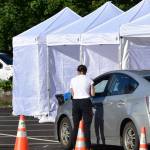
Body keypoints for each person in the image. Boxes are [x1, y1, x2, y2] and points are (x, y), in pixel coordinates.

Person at [70, 65, 95, 150]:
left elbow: (72, 93)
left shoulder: (73, 80)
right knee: (86, 126)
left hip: (76, 102)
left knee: (76, 125)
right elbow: (93, 93)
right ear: (85, 71)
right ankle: (88, 147)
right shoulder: (89, 80)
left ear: (78, 71)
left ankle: (74, 146)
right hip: (86, 102)